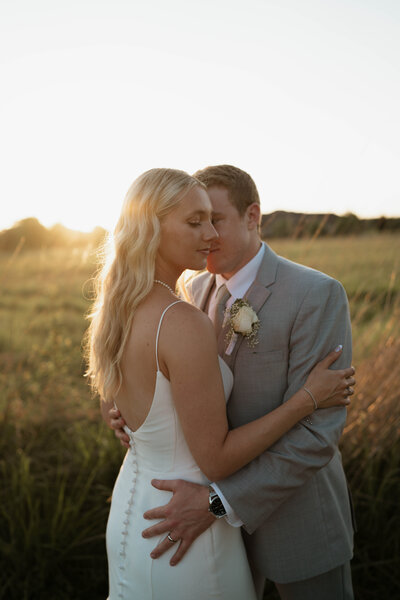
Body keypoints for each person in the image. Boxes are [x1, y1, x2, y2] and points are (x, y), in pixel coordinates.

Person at [93, 167, 355, 600]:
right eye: (197, 222)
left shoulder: (316, 293)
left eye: (216, 219)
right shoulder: (189, 290)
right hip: (191, 523)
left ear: (252, 216)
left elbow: (316, 435)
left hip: (293, 524)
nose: (209, 234)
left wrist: (218, 502)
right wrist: (125, 414)